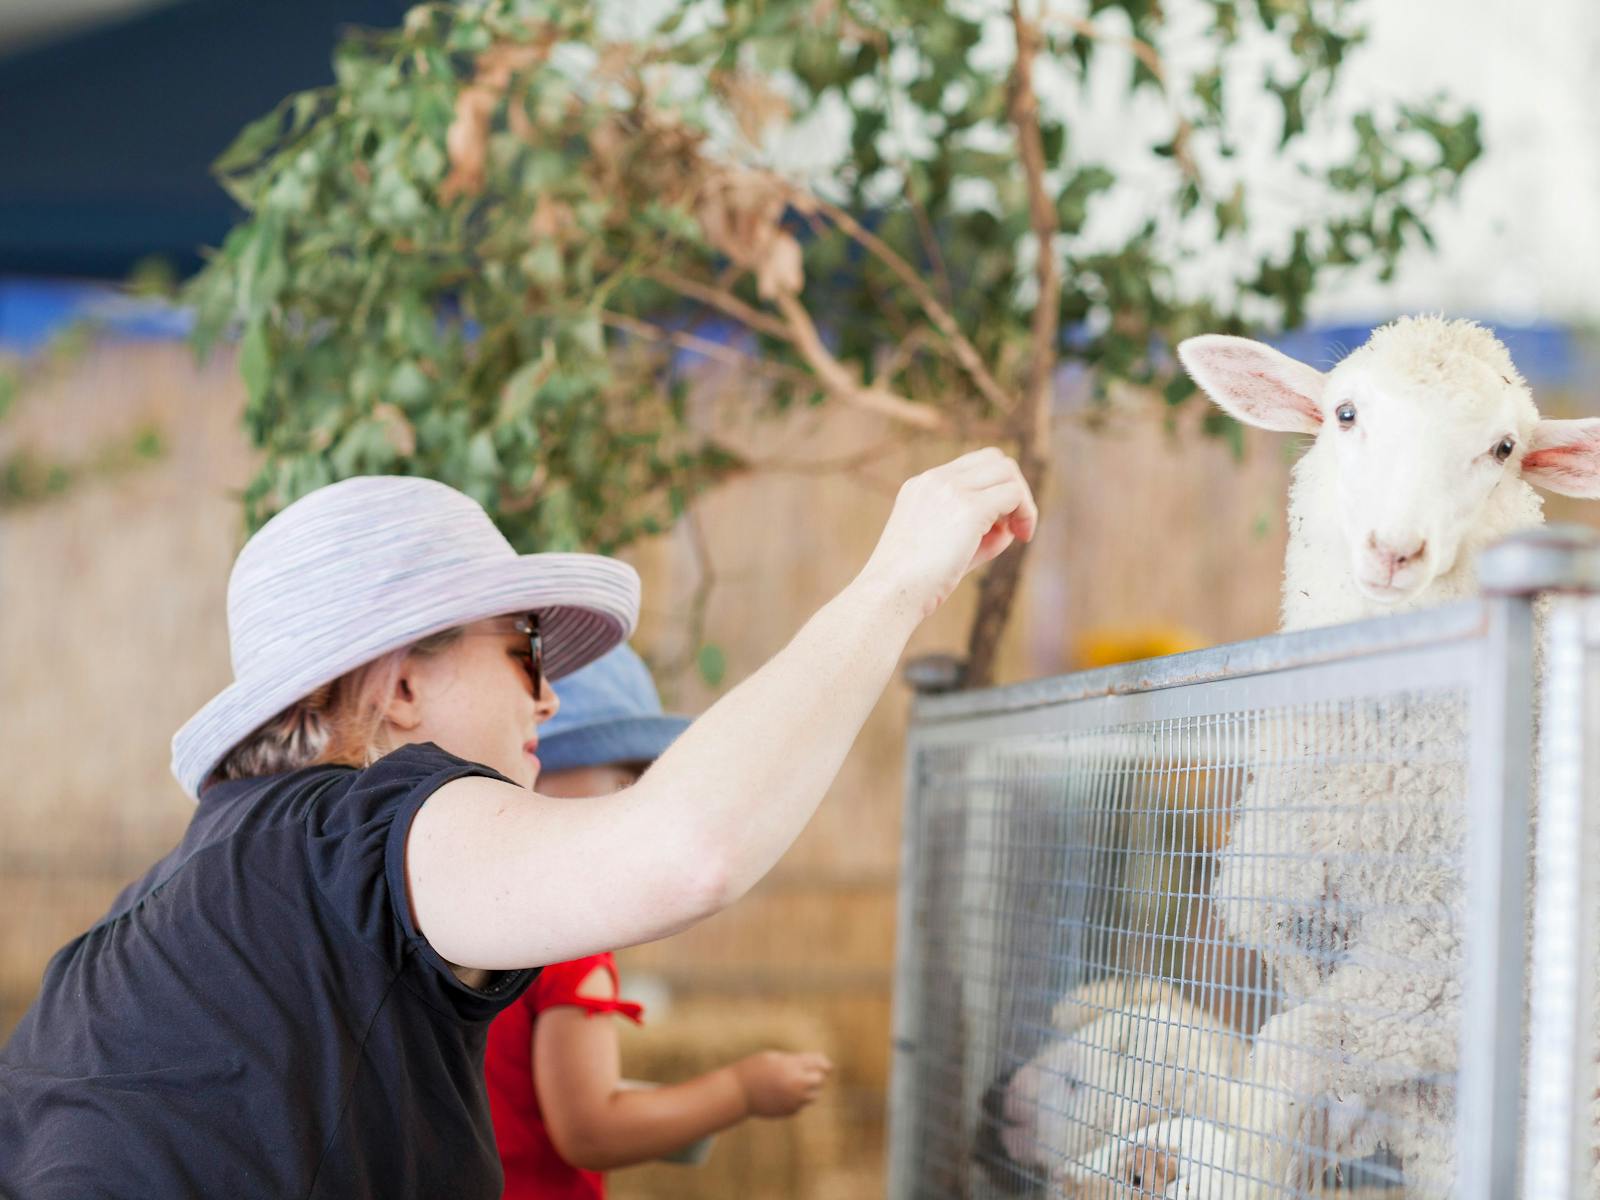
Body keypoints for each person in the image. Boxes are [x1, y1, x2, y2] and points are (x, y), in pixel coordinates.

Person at [0, 449, 1035, 1198]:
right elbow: (685, 850)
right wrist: (897, 580)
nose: (548, 702)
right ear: (399, 686)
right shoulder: (355, 838)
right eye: (526, 653)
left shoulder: (131, 936)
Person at [484, 644, 832, 1198]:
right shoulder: (569, 946)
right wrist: (741, 1090)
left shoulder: (467, 917)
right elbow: (590, 1130)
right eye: (625, 794)